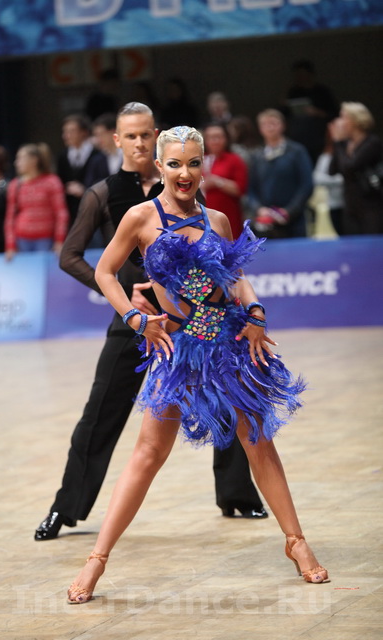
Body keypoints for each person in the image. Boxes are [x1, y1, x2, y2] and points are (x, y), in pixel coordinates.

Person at [66, 125, 329, 604]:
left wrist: (255, 312)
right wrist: (133, 316)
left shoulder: (218, 220)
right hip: (178, 349)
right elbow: (104, 271)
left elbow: (235, 278)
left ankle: (296, 541)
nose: (184, 173)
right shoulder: (140, 217)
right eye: (174, 164)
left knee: (258, 442)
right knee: (148, 453)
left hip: (227, 344)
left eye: (193, 163)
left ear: (202, 164)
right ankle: (97, 559)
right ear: (159, 166)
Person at [34, 104, 266, 543]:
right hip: (134, 321)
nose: (139, 142)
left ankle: (237, 495)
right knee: (101, 412)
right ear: (116, 140)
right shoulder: (102, 193)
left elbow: (217, 259)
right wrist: (127, 295)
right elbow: (71, 256)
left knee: (225, 399)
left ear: (155, 138)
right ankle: (66, 508)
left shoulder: (184, 187)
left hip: (190, 323)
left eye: (145, 134)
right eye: (130, 136)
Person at [249, 109, 313, 239]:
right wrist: (259, 209)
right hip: (266, 221)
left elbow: (307, 185)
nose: (270, 127)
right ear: (260, 129)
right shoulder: (257, 155)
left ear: (283, 126)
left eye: (273, 123)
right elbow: (250, 189)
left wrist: (289, 211)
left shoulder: (297, 151)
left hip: (294, 220)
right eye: (265, 124)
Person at [4, 143, 69, 259]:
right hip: (21, 240)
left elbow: (61, 213)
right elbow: (10, 217)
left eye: (20, 158)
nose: (16, 163)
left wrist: (60, 240)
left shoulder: (52, 182)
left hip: (46, 240)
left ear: (34, 160)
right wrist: (10, 245)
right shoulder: (15, 185)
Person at [329, 102, 383, 235]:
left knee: (371, 243)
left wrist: (338, 143)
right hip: (350, 206)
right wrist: (338, 144)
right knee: (352, 244)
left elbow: (350, 167)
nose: (339, 122)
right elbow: (332, 170)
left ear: (355, 120)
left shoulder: (372, 142)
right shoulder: (344, 144)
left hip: (370, 206)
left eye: (343, 117)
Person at [283, 59, 339, 165]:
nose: (300, 77)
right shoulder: (294, 92)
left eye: (302, 74)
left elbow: (334, 114)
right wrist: (285, 105)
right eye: (297, 75)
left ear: (310, 74)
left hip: (318, 138)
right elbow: (284, 114)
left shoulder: (322, 92)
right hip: (298, 137)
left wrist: (317, 112)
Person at [202, 122, 248, 239]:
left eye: (219, 137)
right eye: (211, 137)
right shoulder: (198, 160)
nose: (215, 141)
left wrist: (218, 182)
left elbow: (240, 189)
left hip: (228, 217)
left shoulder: (234, 160)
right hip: (203, 217)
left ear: (226, 139)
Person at [57, 114, 99, 227]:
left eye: (71, 131)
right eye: (65, 131)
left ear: (84, 132)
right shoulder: (63, 156)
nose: (66, 136)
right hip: (71, 213)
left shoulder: (97, 154)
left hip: (94, 211)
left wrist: (85, 190)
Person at [313, 126, 345, 236]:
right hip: (334, 203)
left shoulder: (353, 150)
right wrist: (342, 180)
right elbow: (317, 178)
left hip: (352, 205)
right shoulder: (326, 155)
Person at [84, 113, 123, 188]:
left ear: (113, 132)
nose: (98, 139)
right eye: (96, 135)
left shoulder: (129, 155)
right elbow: (90, 186)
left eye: (101, 134)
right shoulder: (96, 160)